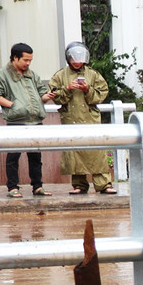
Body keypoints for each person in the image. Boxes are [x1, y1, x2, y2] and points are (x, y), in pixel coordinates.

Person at [0, 42, 53, 198]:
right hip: (17, 120)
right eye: (25, 60)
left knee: (36, 156)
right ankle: (12, 187)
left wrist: (48, 96)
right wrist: (13, 105)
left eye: (30, 60)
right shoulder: (1, 75)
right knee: (13, 155)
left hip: (35, 120)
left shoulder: (32, 75)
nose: (28, 63)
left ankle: (38, 186)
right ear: (15, 58)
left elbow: (42, 94)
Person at [50, 41, 114, 195]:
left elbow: (102, 93)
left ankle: (104, 184)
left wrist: (87, 89)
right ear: (68, 58)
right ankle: (79, 184)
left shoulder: (93, 74)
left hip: (90, 118)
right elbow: (54, 95)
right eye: (74, 59)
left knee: (97, 152)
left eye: (80, 59)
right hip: (71, 118)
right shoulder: (60, 75)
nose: (77, 62)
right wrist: (67, 89)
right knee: (75, 152)